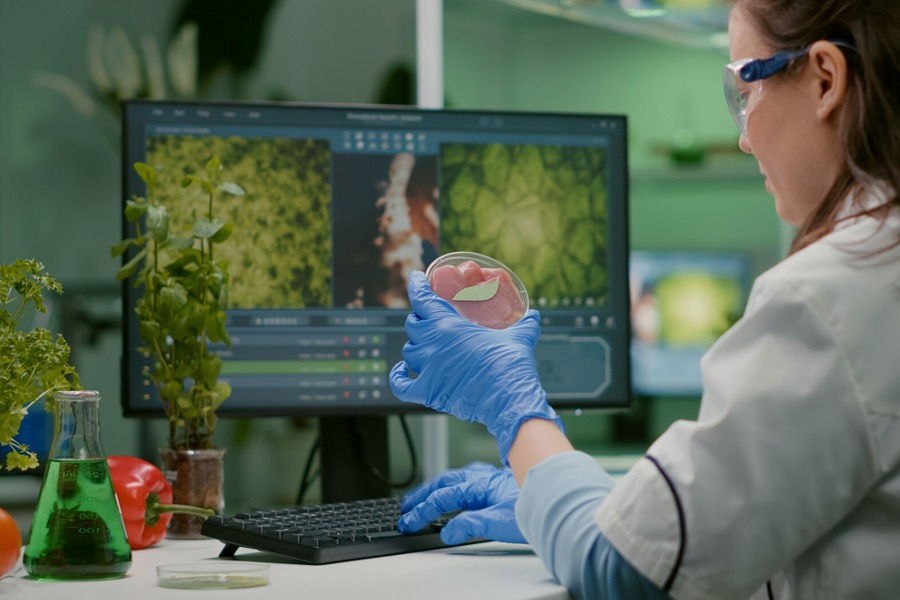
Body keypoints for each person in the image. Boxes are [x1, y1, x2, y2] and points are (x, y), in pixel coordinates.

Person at [389, 0, 900, 598]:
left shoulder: (830, 296)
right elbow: (731, 532)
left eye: (744, 90)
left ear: (825, 79)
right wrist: (559, 501)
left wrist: (514, 410)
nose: (743, 137)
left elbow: (623, 576)